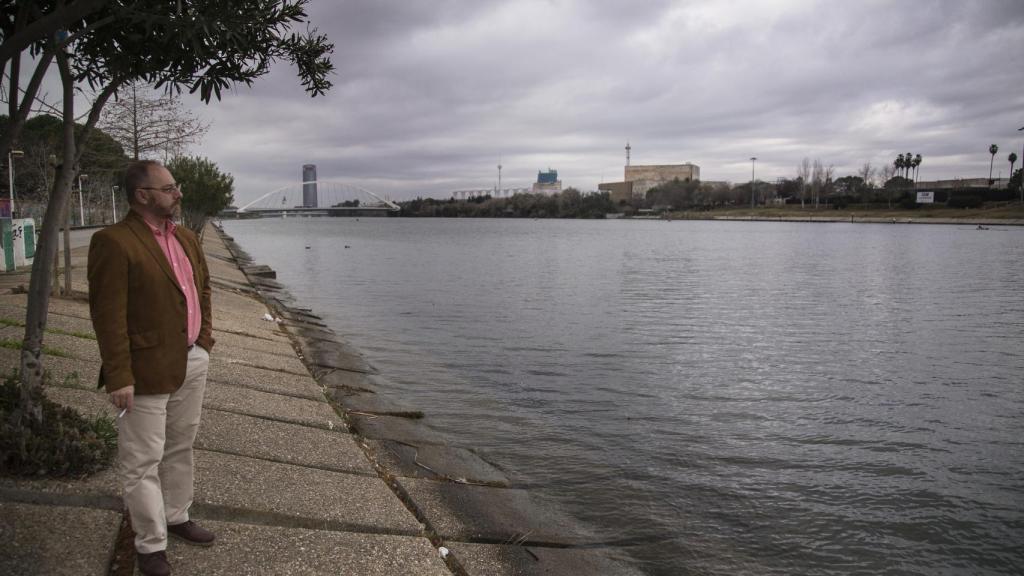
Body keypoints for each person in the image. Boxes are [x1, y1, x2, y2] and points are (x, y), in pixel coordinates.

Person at [88, 160, 216, 576]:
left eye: (175, 187)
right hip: (143, 368)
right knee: (142, 460)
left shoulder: (187, 238)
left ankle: (177, 516)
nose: (178, 194)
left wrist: (205, 341)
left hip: (191, 358)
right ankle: (150, 546)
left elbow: (203, 290)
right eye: (169, 188)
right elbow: (108, 315)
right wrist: (119, 374)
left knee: (181, 446)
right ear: (143, 195)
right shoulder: (114, 241)